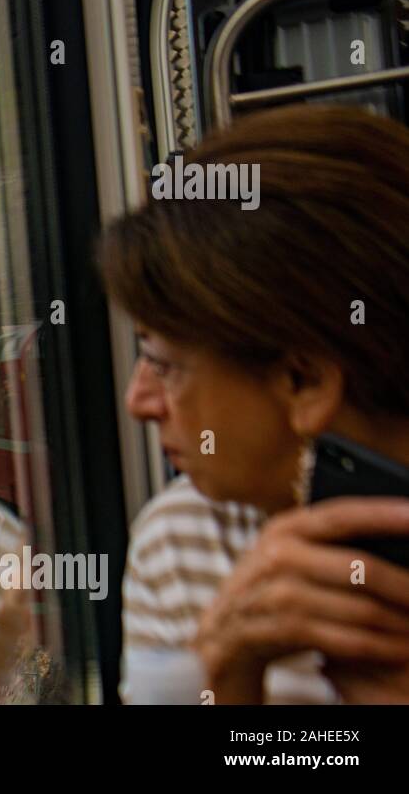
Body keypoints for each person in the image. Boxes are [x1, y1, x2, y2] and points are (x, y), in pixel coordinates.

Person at [98, 104, 409, 704]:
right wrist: (226, 679)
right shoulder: (181, 538)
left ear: (302, 380)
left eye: (163, 366)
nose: (140, 401)